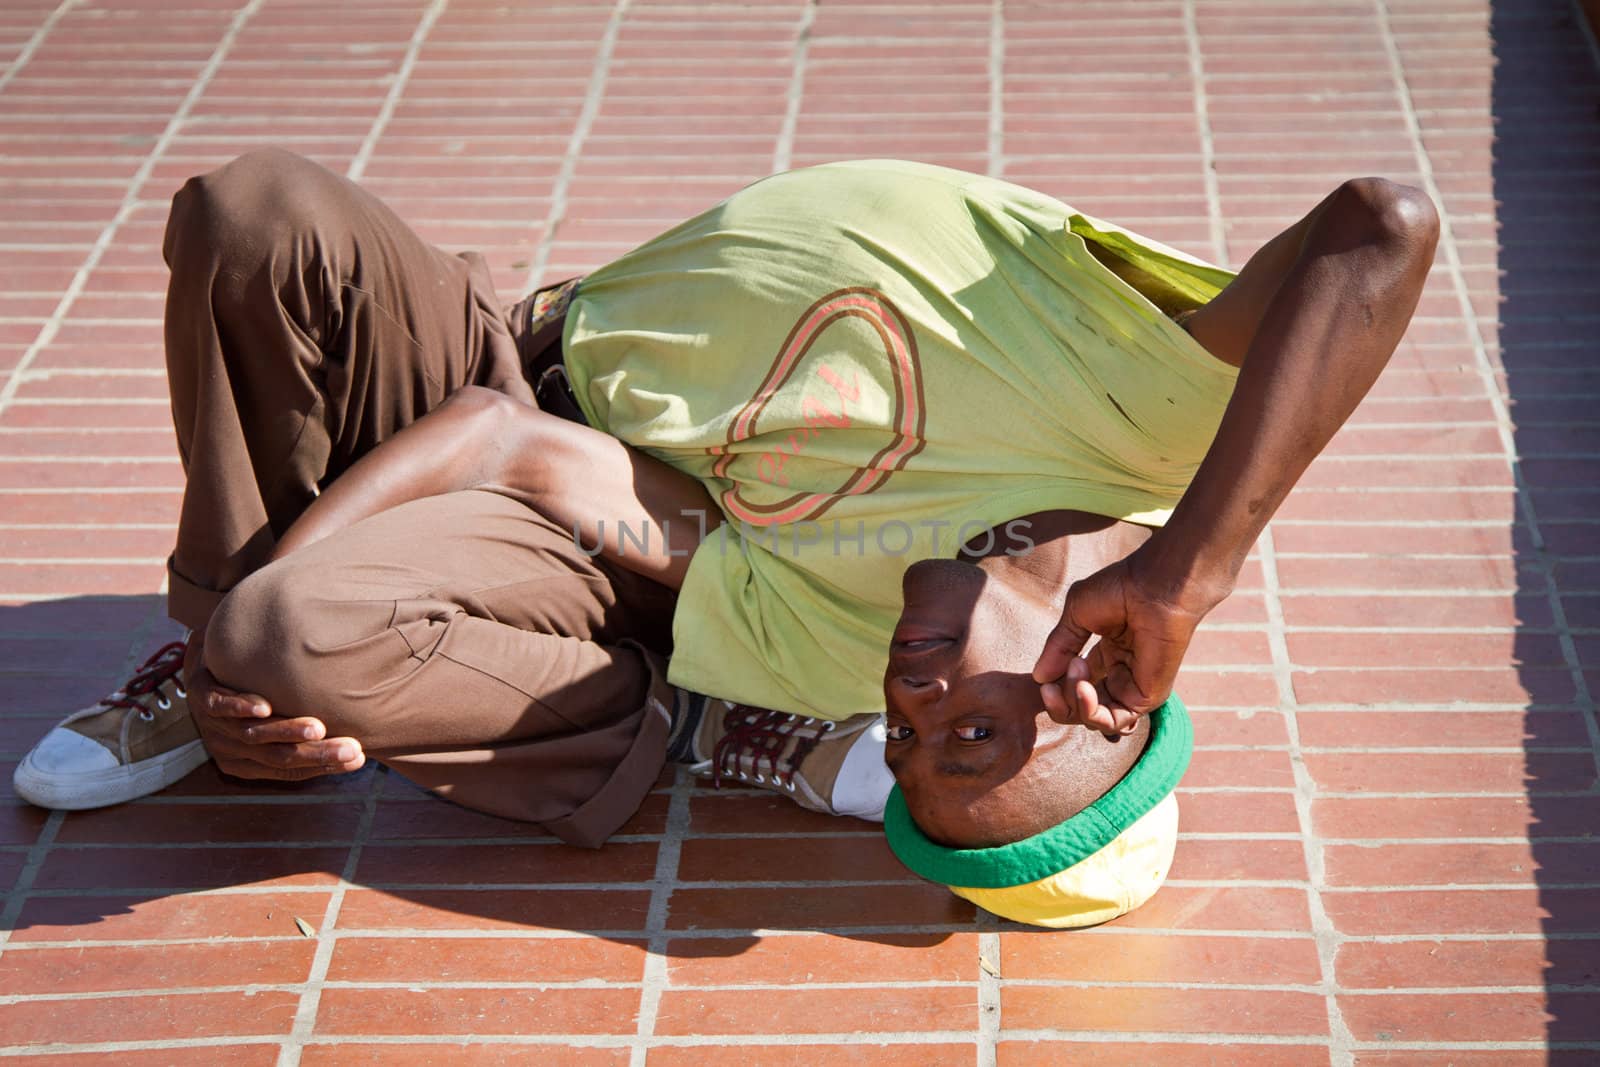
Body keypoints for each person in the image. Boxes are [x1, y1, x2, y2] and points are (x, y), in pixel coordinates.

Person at [13, 150, 1437, 927]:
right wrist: (1192, 566)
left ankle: (666, 723)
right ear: (1111, 706)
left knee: (279, 629)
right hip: (508, 349)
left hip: (570, 510)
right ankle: (707, 724)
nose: (923, 707)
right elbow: (1382, 226)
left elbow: (515, 460)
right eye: (979, 740)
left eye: (915, 750)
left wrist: (230, 640)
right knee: (253, 216)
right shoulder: (1145, 421)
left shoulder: (850, 634)